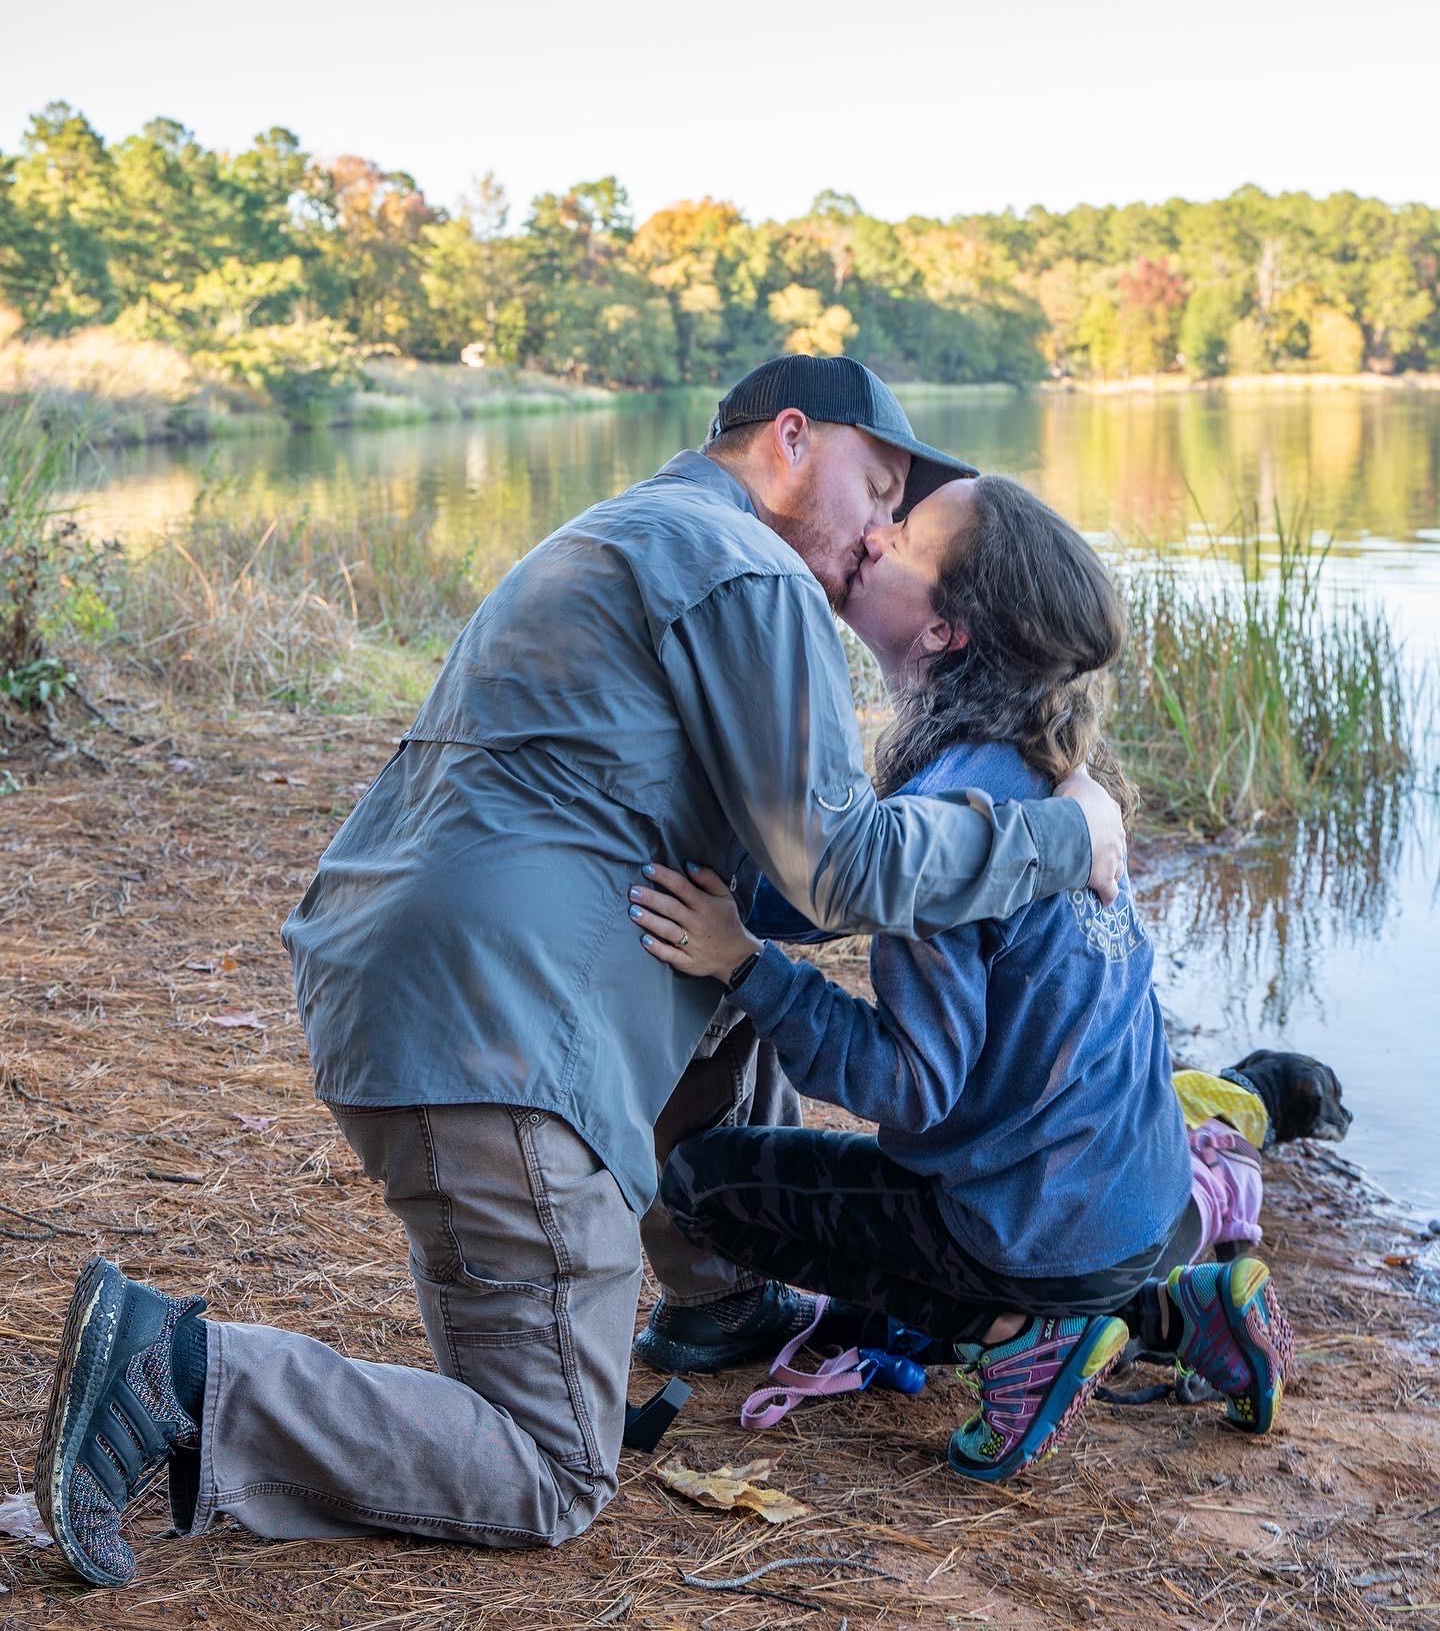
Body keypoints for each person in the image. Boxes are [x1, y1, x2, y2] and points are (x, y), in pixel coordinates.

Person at [34, 357, 1128, 1587]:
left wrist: (769, 949)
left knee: (733, 973)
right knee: (549, 1470)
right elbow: (838, 870)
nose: (880, 532)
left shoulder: (634, 532)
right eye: (875, 487)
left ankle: (715, 1299)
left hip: (428, 982)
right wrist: (1060, 834)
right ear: (791, 440)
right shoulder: (747, 570)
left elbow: (767, 891)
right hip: (492, 1044)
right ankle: (181, 1373)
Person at [633, 473, 1295, 1483]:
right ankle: (1169, 1314)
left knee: (702, 1188)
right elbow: (843, 887)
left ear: (945, 629)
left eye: (907, 535)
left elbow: (912, 1087)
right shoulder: (1046, 770)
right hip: (1144, 1210)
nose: (878, 534)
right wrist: (748, 898)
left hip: (1034, 1234)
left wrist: (745, 966)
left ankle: (1015, 1335)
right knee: (852, 1217)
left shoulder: (949, 824)